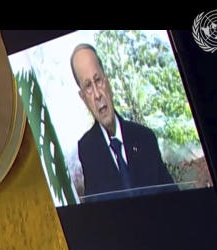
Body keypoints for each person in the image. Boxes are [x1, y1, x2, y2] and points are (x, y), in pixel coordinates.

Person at [71, 44, 175, 200]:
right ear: (83, 97)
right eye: (88, 86)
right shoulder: (87, 149)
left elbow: (175, 199)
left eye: (98, 80)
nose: (97, 94)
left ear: (107, 82)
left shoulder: (145, 138)